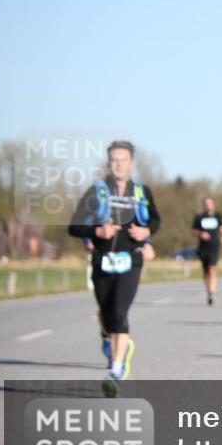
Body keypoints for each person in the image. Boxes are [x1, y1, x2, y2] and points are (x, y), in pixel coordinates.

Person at [69, 140, 161, 397]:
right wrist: (96, 231)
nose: (118, 163)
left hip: (131, 259)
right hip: (102, 261)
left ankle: (116, 372)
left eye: (122, 159)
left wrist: (147, 232)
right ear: (109, 163)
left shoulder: (141, 192)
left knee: (120, 313)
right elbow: (74, 226)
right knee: (106, 313)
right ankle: (112, 342)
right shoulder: (97, 191)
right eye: (113, 160)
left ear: (131, 163)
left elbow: (155, 219)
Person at [192, 196, 222, 305]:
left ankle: (212, 292)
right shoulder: (199, 217)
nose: (208, 205)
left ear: (213, 204)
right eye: (206, 204)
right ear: (204, 205)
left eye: (210, 203)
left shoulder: (218, 216)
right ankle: (208, 290)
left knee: (212, 268)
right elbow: (193, 231)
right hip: (203, 247)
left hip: (214, 246)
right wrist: (201, 234)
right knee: (205, 272)